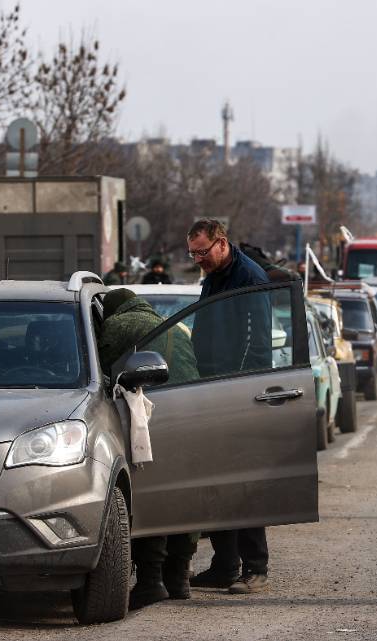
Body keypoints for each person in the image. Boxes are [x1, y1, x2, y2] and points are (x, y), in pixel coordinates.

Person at [96, 288, 200, 609]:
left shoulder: (118, 325)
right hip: (192, 412)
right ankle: (179, 578)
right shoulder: (173, 325)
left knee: (150, 492)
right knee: (182, 493)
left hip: (154, 415)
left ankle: (151, 581)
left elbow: (99, 370)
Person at [185, 219, 273, 595]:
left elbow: (258, 344)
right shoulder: (213, 278)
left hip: (237, 394)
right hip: (211, 392)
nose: (198, 260)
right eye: (192, 254)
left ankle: (255, 567)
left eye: (202, 252)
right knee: (217, 484)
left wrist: (241, 391)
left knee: (243, 484)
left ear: (221, 243)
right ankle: (224, 565)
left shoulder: (248, 278)